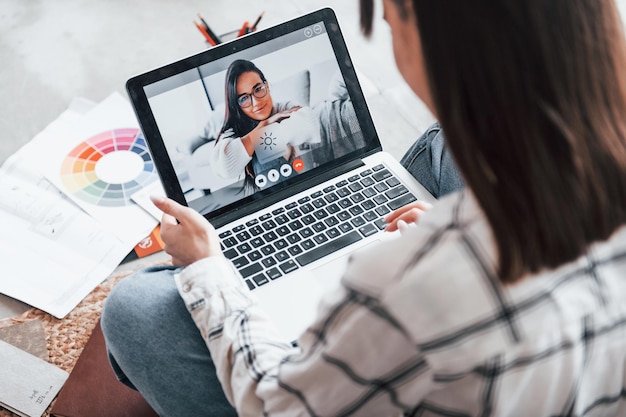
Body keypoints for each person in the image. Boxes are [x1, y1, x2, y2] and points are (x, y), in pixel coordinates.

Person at [101, 0, 626, 416]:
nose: (258, 98)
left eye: (393, 19)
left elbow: (278, 405)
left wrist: (206, 268)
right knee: (440, 144)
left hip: (400, 341)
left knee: (135, 308)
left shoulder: (405, 282)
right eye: (247, 95)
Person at [210, 59, 364, 193]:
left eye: (258, 89)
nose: (256, 102)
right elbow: (225, 168)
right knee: (265, 147)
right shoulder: (232, 131)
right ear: (236, 104)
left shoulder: (283, 107)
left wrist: (261, 136)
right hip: (280, 187)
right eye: (244, 98)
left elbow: (309, 124)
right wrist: (265, 125)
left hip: (328, 123)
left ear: (267, 86)